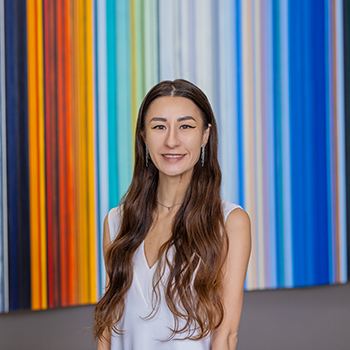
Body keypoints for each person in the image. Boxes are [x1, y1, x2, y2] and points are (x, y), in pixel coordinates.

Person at [94, 79, 251, 350]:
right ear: (143, 136)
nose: (171, 140)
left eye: (186, 126)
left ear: (205, 136)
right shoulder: (117, 222)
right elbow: (108, 327)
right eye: (159, 126)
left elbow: (225, 335)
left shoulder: (229, 222)